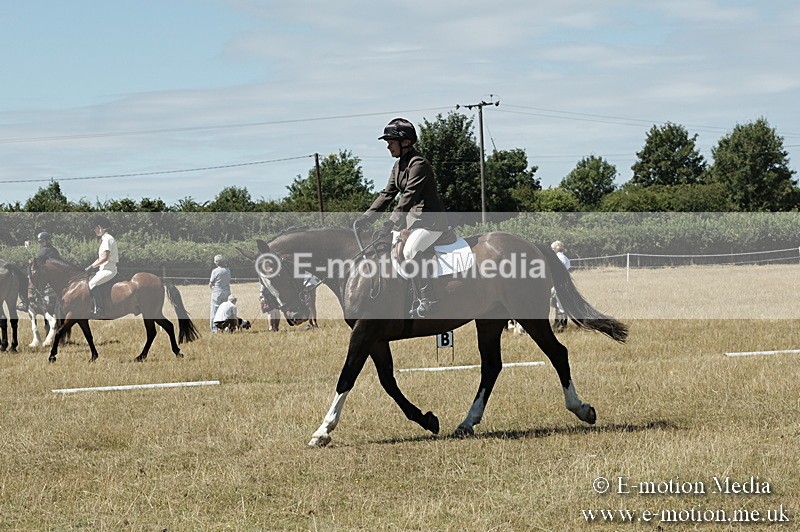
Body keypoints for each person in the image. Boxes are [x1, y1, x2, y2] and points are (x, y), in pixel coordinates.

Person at [355, 118, 448, 318]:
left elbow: (407, 197)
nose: (388, 146)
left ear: (404, 142)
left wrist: (391, 222)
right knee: (389, 251)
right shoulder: (399, 166)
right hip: (413, 221)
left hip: (431, 221)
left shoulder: (419, 164)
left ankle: (427, 300)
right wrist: (367, 218)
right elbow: (387, 194)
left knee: (411, 250)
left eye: (390, 141)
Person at [84, 216, 119, 319]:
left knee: (91, 284)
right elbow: (99, 258)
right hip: (103, 269)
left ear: (99, 227)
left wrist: (92, 267)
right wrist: (89, 267)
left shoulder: (108, 239)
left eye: (95, 228)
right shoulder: (104, 239)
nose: (94, 231)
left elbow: (104, 258)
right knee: (90, 281)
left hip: (109, 269)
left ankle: (99, 309)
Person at [550, 240, 570, 331]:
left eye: (552, 248)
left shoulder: (556, 258)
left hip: (558, 283)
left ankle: (562, 324)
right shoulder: (565, 258)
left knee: (560, 304)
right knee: (561, 304)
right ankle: (561, 323)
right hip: (565, 282)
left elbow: (557, 273)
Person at [209, 254, 231, 332]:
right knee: (225, 310)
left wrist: (212, 287)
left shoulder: (215, 271)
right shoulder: (227, 270)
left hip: (217, 291)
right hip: (227, 291)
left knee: (215, 310)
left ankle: (214, 328)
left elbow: (211, 282)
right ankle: (226, 327)